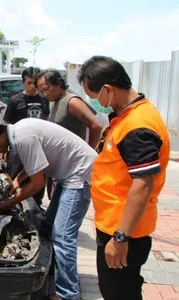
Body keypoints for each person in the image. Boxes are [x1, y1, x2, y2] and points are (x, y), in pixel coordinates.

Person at [0, 117, 97, 300]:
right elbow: (36, 162)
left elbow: (38, 184)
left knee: (62, 236)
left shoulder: (23, 138)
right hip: (70, 174)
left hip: (79, 175)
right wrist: (17, 181)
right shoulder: (20, 130)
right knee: (48, 227)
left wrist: (8, 204)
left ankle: (68, 295)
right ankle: (52, 276)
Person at [78, 56, 170, 300]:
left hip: (124, 231)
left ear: (108, 90)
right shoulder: (131, 115)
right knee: (120, 289)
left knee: (119, 292)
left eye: (93, 96)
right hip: (117, 225)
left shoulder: (137, 127)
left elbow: (142, 185)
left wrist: (120, 238)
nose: (93, 102)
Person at [2, 66, 50, 208]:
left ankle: (36, 208)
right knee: (16, 180)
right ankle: (14, 206)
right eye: (29, 83)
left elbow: (46, 118)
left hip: (38, 148)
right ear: (23, 82)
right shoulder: (15, 100)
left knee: (37, 181)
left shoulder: (43, 99)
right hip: (19, 148)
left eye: (35, 83)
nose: (32, 86)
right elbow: (7, 124)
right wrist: (4, 148)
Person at [36, 69, 102, 149]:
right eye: (42, 92)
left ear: (58, 84)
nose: (45, 94)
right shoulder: (53, 101)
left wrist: (89, 151)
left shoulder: (72, 102)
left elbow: (96, 126)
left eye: (47, 89)